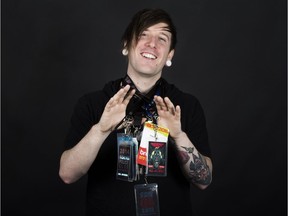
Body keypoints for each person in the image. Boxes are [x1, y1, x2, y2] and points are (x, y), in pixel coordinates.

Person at [59, 8, 213, 216]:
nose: (152, 44)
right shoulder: (93, 103)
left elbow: (204, 181)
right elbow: (67, 174)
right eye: (143, 34)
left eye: (162, 38)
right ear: (126, 45)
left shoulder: (185, 105)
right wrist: (101, 129)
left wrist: (178, 135)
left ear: (170, 55)